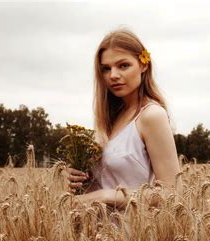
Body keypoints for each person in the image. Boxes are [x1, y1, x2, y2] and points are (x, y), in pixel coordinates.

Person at [67, 27, 182, 209]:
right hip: (99, 234)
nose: (113, 75)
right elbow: (108, 179)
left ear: (143, 65)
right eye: (106, 69)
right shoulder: (111, 119)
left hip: (135, 234)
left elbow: (170, 193)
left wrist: (105, 196)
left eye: (123, 65)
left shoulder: (151, 116)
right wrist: (79, 179)